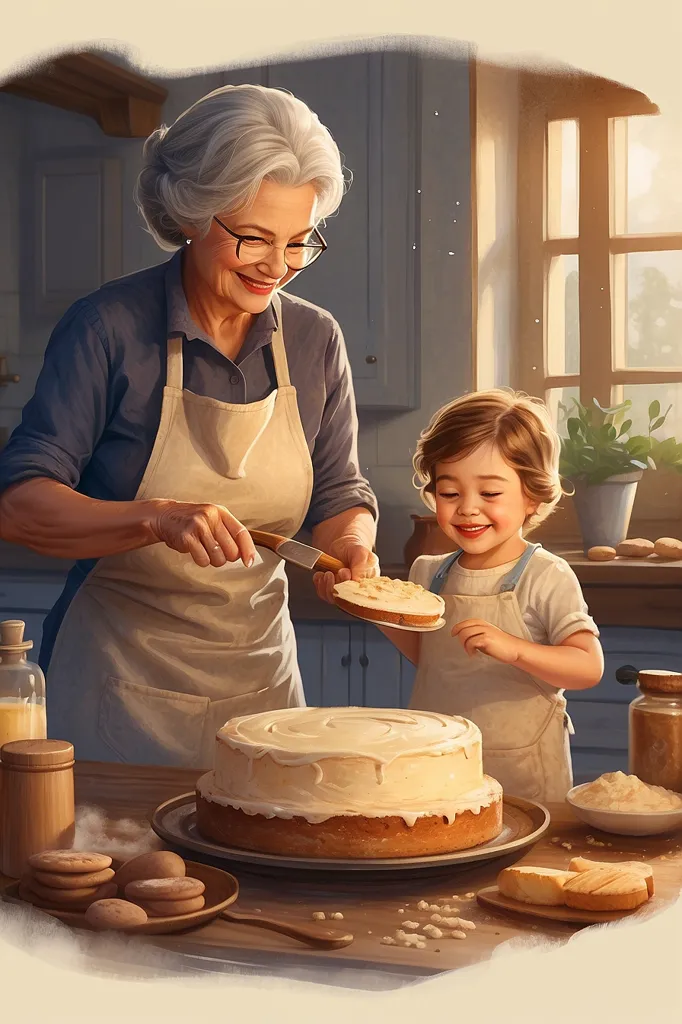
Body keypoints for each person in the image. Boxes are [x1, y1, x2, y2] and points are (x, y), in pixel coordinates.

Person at [0, 84, 379, 768]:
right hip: (116, 688)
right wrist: (154, 518)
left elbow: (339, 492)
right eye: (255, 239)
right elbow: (20, 505)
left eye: (300, 242)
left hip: (260, 687)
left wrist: (351, 546)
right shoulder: (107, 329)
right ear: (192, 216)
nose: (279, 266)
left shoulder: (316, 339)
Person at [320, 389, 603, 803]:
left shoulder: (546, 576)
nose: (468, 509)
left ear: (531, 495)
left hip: (523, 776)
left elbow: (587, 666)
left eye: (490, 494)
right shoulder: (429, 572)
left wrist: (515, 649)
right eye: (451, 494)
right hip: (438, 766)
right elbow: (430, 656)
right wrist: (367, 605)